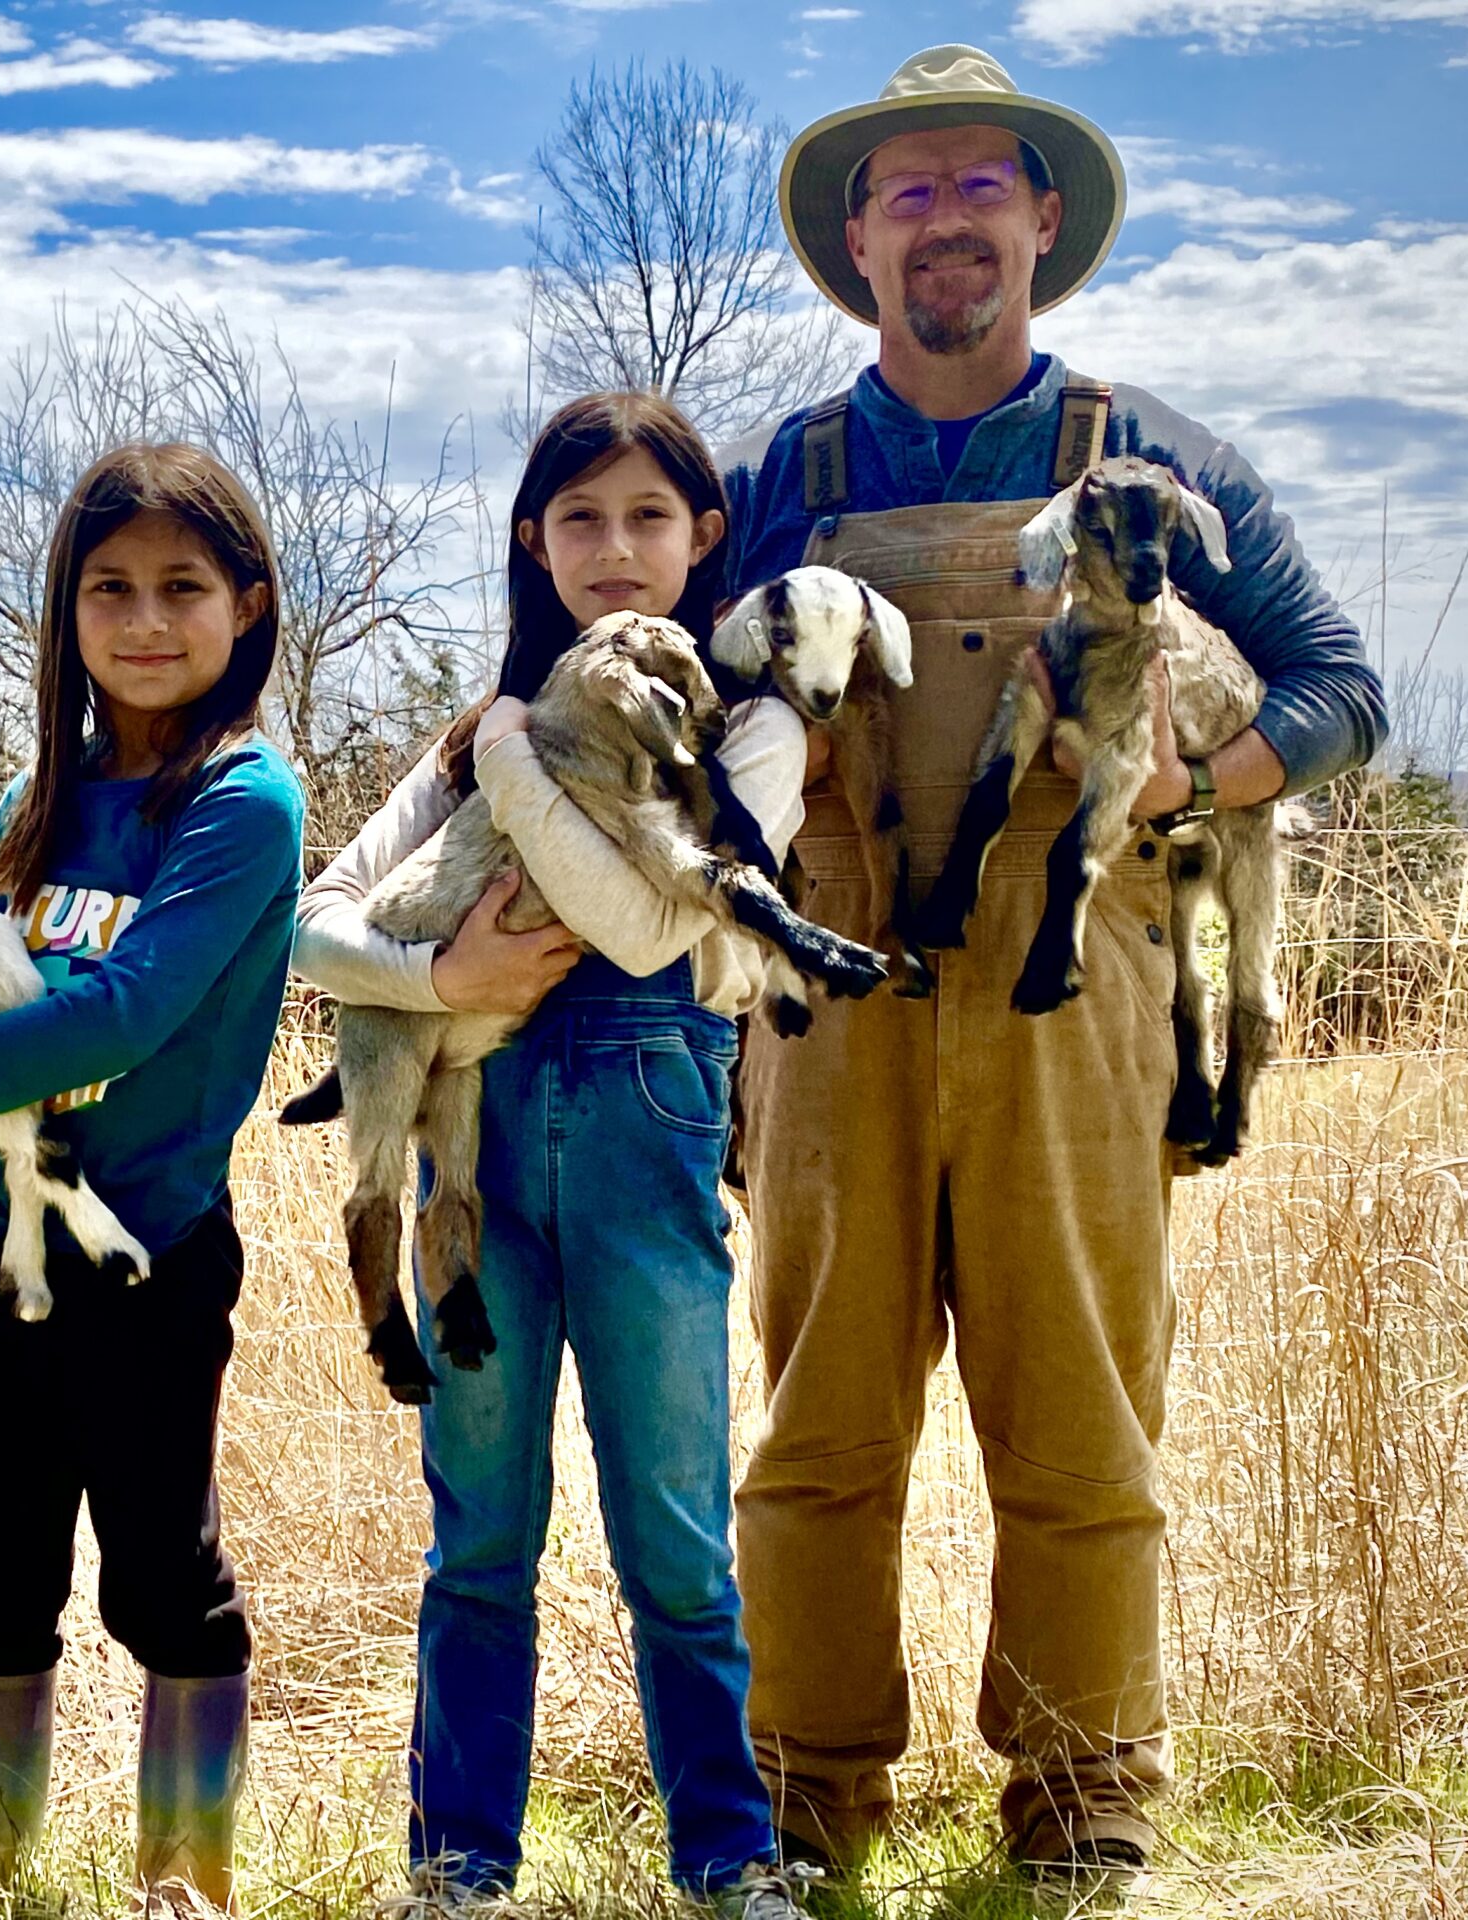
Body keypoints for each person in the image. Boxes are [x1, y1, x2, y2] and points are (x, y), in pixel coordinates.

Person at [720, 45, 1388, 1889]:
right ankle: (805, 1795)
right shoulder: (790, 472)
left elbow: (1346, 687)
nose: (943, 220)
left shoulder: (1153, 461)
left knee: (1084, 1417)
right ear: (859, 236)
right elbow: (661, 691)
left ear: (1042, 220)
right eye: (905, 191)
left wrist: (1199, 777)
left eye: (976, 185)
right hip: (830, 1014)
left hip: (1077, 994)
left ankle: (1086, 1805)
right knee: (815, 1429)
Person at [294, 393, 821, 1919]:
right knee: (480, 1537)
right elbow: (322, 927)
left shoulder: (748, 735)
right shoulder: (468, 739)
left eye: (650, 517)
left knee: (676, 1542)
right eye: (579, 519)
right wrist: (444, 986)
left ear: (703, 536)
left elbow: (651, 922)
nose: (616, 550)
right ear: (536, 542)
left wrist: (522, 767)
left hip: (648, 1152)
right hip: (476, 1155)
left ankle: (729, 1865)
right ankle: (458, 1871)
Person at [0, 443, 305, 1913]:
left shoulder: (242, 804)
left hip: (145, 1259)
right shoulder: (41, 796)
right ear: (69, 614)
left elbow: (121, 1012)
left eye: (183, 586)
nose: (145, 620)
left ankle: (188, 1884)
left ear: (247, 604)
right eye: (108, 588)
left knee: (163, 1580)